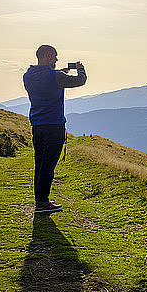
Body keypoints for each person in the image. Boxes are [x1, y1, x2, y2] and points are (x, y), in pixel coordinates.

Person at [23, 44, 87, 214]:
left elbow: (44, 83)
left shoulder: (28, 76)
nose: (57, 60)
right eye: (55, 56)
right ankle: (43, 204)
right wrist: (80, 69)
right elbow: (80, 81)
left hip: (37, 125)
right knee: (48, 166)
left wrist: (59, 74)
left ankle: (40, 200)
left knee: (40, 163)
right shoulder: (56, 76)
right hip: (54, 125)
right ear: (49, 56)